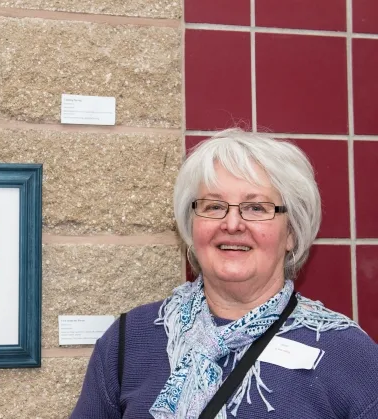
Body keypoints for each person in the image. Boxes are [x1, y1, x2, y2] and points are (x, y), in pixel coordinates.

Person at [71, 129, 378, 418]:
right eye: (215, 206)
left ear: (291, 234)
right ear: (192, 226)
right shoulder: (129, 340)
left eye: (256, 208)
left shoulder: (348, 354)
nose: (232, 224)